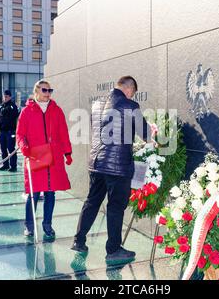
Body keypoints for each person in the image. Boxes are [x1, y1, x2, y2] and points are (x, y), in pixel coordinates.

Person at [72, 76, 157, 264]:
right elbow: (145, 134)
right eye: (132, 93)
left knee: (92, 202)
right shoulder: (130, 105)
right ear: (129, 89)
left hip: (96, 163)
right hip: (117, 167)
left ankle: (79, 240)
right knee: (116, 207)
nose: (132, 95)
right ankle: (113, 249)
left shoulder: (96, 105)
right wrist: (153, 133)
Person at [16, 80, 73, 240]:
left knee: (50, 193)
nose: (48, 93)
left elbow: (63, 133)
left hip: (53, 158)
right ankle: (29, 225)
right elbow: (20, 134)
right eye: (45, 90)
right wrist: (23, 145)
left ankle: (47, 224)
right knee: (33, 194)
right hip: (35, 156)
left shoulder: (56, 111)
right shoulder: (27, 112)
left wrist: (67, 153)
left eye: (50, 90)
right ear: (36, 92)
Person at [0, 90, 20, 172]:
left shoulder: (13, 106)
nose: (5, 98)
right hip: (2, 132)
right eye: (4, 96)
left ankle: (13, 166)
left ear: (10, 97)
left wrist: (10, 127)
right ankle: (5, 165)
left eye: (6, 96)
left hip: (10, 131)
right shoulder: (1, 106)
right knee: (3, 149)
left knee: (11, 149)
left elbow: (15, 117)